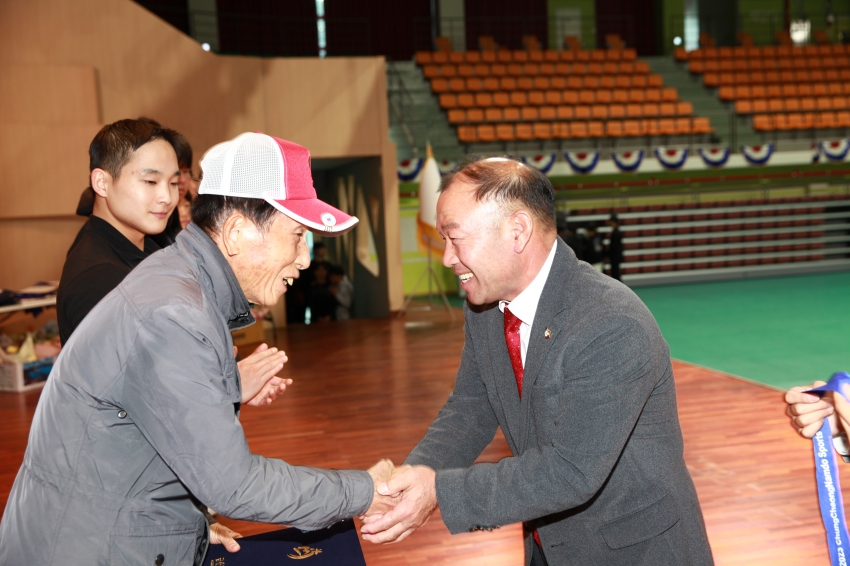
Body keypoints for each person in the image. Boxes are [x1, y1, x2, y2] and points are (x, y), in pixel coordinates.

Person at [0, 132, 394, 565]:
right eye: (298, 235)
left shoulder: (183, 283)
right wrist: (365, 491)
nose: (304, 259)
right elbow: (233, 484)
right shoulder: (176, 313)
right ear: (237, 233)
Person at [360, 157, 713, 565]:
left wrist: (438, 490)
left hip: (633, 551)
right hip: (548, 545)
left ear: (518, 231)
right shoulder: (486, 308)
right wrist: (413, 476)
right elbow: (470, 409)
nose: (446, 258)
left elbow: (569, 471)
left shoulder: (611, 322)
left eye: (455, 238)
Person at [606, 213, 624, 281]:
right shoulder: (616, 232)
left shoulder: (616, 233)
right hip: (615, 257)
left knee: (615, 274)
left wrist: (609, 256)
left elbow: (615, 247)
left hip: (615, 257)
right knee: (615, 274)